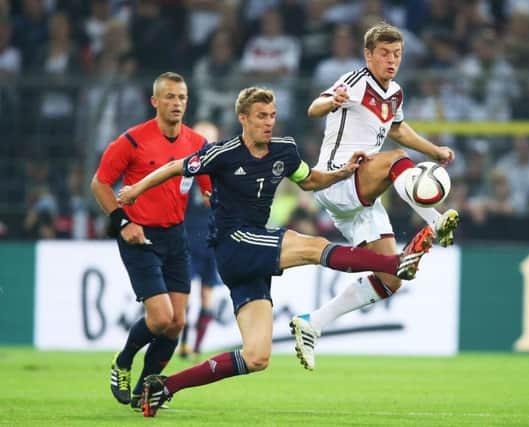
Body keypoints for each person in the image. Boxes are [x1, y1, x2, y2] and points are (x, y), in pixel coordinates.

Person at [116, 87, 434, 417]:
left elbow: (309, 181)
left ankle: (164, 387)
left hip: (251, 254)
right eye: (261, 117)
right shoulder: (222, 153)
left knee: (257, 357)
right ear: (243, 119)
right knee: (311, 246)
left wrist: (342, 173)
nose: (269, 123)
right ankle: (396, 263)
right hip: (233, 243)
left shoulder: (284, 152)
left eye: (272, 116)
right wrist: (136, 189)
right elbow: (175, 167)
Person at [289, 22, 460, 371]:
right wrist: (329, 101)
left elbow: (397, 128)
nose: (391, 60)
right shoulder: (354, 81)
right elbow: (314, 107)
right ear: (368, 54)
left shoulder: (395, 92)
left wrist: (434, 151)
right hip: (337, 178)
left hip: (360, 197)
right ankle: (435, 220)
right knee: (396, 159)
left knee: (392, 278)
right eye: (384, 53)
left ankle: (313, 323)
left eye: (397, 54)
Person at [90, 72, 212, 409]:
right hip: (139, 234)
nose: (176, 103)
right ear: (155, 101)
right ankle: (123, 361)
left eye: (182, 97)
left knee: (177, 324)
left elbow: (207, 183)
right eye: (170, 97)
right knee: (160, 318)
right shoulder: (131, 141)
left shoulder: (197, 143)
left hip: (176, 235)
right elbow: (100, 184)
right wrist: (122, 222)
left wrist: (212, 196)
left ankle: (146, 388)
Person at [179, 121, 223, 359]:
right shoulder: (185, 167)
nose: (206, 144)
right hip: (188, 237)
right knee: (185, 290)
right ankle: (184, 342)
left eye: (210, 139)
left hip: (212, 238)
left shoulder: (222, 169)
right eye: (202, 138)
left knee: (207, 292)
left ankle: (197, 346)